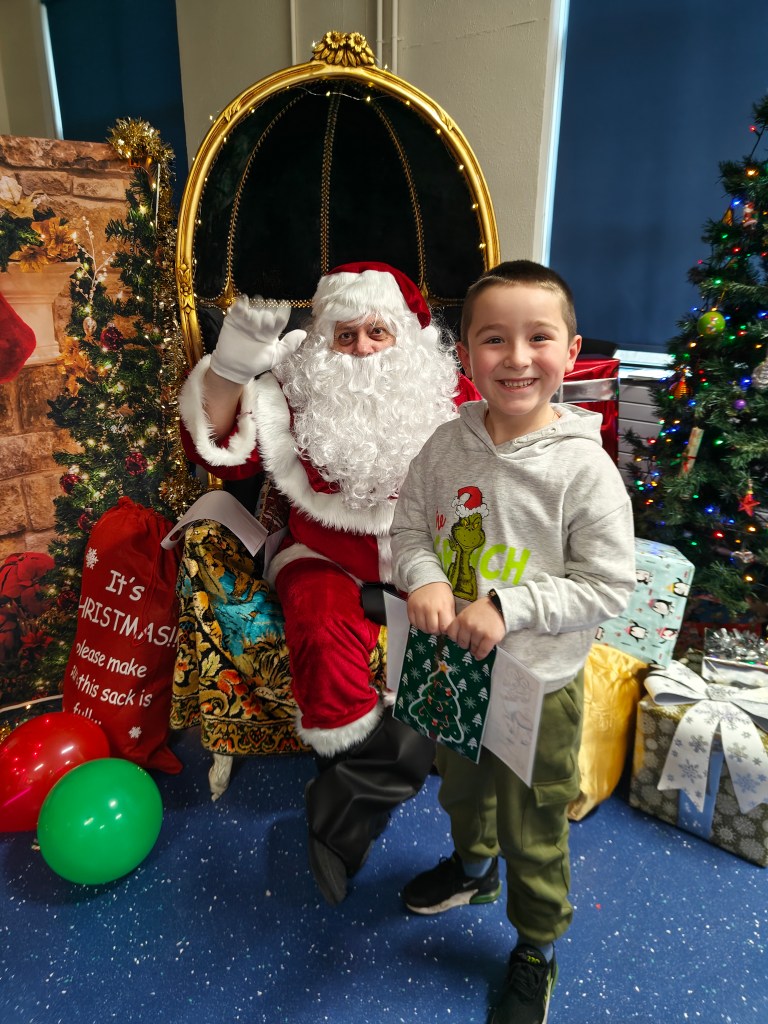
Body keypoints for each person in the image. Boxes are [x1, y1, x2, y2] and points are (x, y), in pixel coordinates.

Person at [177, 261, 479, 905]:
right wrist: (230, 369)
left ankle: (351, 807)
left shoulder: (444, 392)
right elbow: (219, 450)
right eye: (345, 335)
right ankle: (345, 766)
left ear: (406, 338)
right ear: (324, 342)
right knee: (318, 625)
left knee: (458, 636)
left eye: (377, 332)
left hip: (424, 557)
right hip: (323, 555)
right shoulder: (296, 388)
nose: (362, 348)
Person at [389, 260, 635, 1024]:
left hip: (538, 685)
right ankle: (472, 868)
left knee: (534, 825)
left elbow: (608, 585)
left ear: (572, 351)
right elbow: (408, 529)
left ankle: (536, 946)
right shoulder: (444, 445)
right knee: (461, 790)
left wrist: (509, 605)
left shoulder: (585, 469)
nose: (517, 357)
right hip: (454, 670)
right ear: (466, 354)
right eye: (494, 339)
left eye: (539, 338)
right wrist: (425, 577)